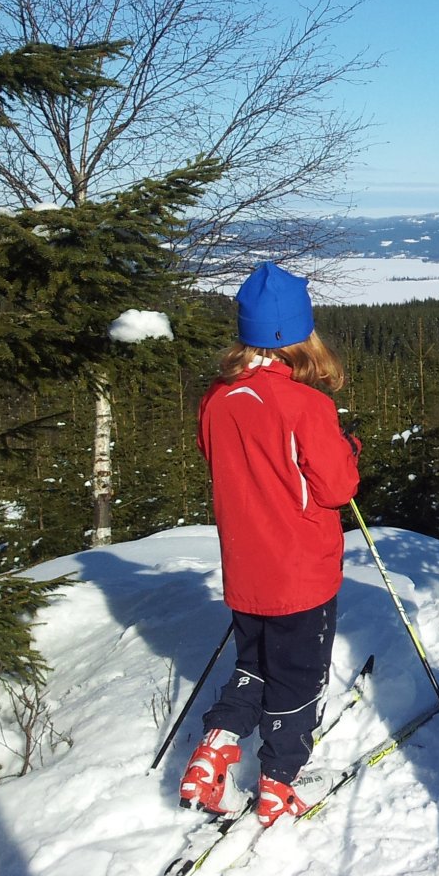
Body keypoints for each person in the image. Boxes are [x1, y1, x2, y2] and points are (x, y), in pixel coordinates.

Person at [177, 261, 361, 828]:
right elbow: (337, 487)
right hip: (302, 572)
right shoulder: (308, 405)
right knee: (299, 677)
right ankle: (279, 783)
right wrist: (347, 448)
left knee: (254, 665)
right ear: (302, 335)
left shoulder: (217, 399)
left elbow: (231, 468)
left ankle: (213, 755)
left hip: (246, 570)